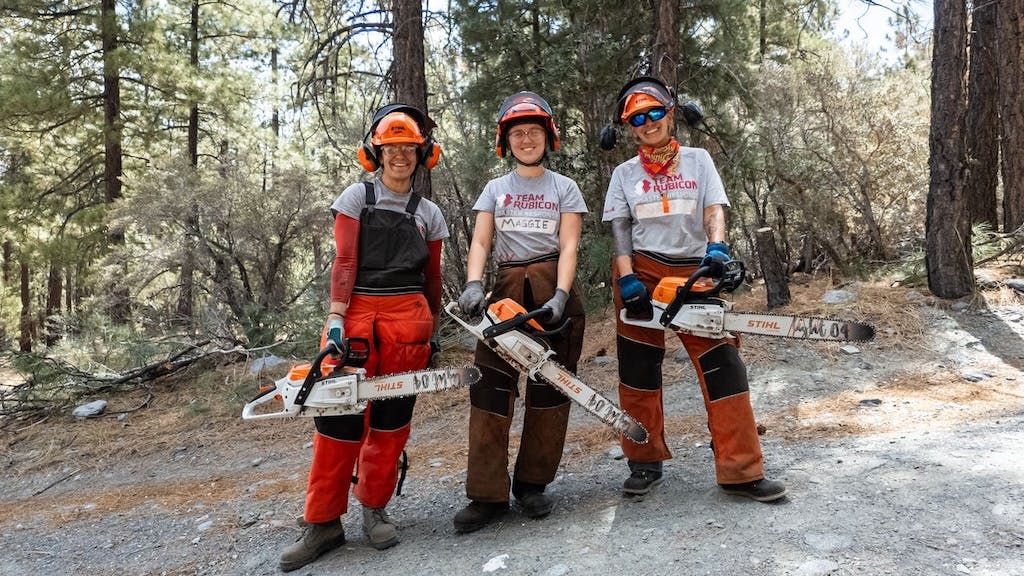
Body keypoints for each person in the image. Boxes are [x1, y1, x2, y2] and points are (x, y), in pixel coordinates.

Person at [279, 104, 450, 572]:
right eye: (391, 148)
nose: (400, 156)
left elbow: (432, 278)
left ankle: (374, 508)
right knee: (337, 421)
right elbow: (345, 262)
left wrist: (431, 331)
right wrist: (335, 318)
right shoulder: (357, 197)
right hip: (354, 316)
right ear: (375, 152)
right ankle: (323, 522)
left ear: (422, 154)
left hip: (408, 320)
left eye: (408, 148)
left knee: (392, 420)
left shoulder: (429, 213)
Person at [601, 77, 787, 502]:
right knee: (638, 370)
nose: (648, 124)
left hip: (694, 269)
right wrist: (627, 274)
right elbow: (621, 229)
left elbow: (713, 208)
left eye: (653, 114)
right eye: (637, 119)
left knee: (724, 364)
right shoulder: (623, 174)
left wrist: (717, 247)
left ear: (670, 113)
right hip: (642, 270)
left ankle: (741, 469)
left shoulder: (698, 160)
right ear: (627, 126)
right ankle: (644, 460)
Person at [453, 91, 588, 533]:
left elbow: (569, 244)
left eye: (533, 132)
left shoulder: (564, 187)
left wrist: (561, 296)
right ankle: (486, 493)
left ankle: (533, 485)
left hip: (555, 287)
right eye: (517, 133)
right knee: (490, 387)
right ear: (505, 141)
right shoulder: (495, 189)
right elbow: (480, 241)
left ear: (548, 137)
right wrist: (474, 283)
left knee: (552, 384)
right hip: (506, 289)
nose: (526, 139)